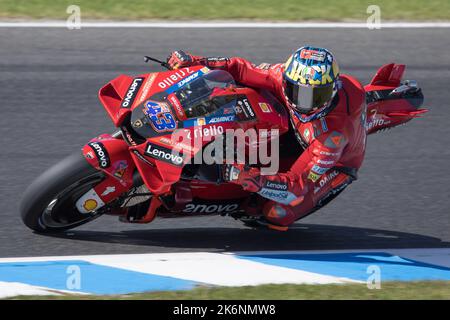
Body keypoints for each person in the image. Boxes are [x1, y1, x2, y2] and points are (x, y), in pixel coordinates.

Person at [166, 47, 367, 231]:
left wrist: (250, 178)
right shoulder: (281, 75)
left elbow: (297, 186)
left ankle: (241, 201)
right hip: (290, 126)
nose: (305, 104)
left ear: (332, 89)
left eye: (317, 95)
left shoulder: (332, 138)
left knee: (277, 212)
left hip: (332, 164)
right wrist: (195, 61)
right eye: (297, 92)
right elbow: (240, 68)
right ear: (287, 81)